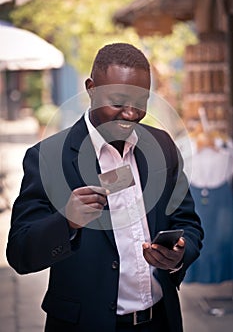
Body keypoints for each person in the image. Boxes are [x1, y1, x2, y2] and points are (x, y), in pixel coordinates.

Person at [6, 43, 204, 332]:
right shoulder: (47, 157)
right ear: (91, 89)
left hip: (159, 322)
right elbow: (20, 254)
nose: (131, 113)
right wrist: (67, 222)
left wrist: (177, 257)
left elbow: (189, 224)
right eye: (118, 101)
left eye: (141, 101)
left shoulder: (161, 146)